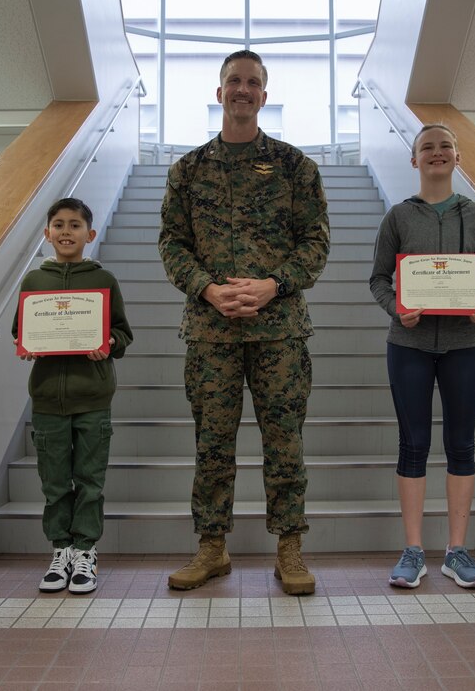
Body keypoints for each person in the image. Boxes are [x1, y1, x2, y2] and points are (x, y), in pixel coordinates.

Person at [158, 50, 330, 595]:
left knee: (285, 442)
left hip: (279, 330)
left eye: (252, 82)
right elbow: (172, 243)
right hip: (212, 332)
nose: (242, 89)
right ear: (220, 92)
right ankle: (212, 548)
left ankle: (290, 550)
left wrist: (273, 284)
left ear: (263, 94)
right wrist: (208, 288)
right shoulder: (187, 171)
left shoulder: (295, 166)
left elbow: (316, 242)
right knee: (212, 443)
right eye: (234, 80)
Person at [369, 124, 475, 589]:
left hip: (466, 344)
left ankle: (457, 551)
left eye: (445, 147)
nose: (437, 153)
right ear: (414, 160)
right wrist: (396, 308)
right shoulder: (398, 218)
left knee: (462, 444)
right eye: (428, 147)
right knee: (414, 443)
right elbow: (379, 280)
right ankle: (413, 551)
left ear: (457, 158)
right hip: (409, 346)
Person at [12, 198, 133, 594]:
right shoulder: (33, 282)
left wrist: (109, 342)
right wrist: (26, 342)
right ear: (47, 234)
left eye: (75, 225)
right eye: (59, 225)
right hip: (47, 398)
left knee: (90, 480)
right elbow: (20, 330)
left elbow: (122, 333)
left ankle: (85, 552)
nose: (66, 231)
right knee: (54, 483)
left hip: (93, 397)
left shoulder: (104, 280)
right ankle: (60, 550)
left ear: (90, 234)